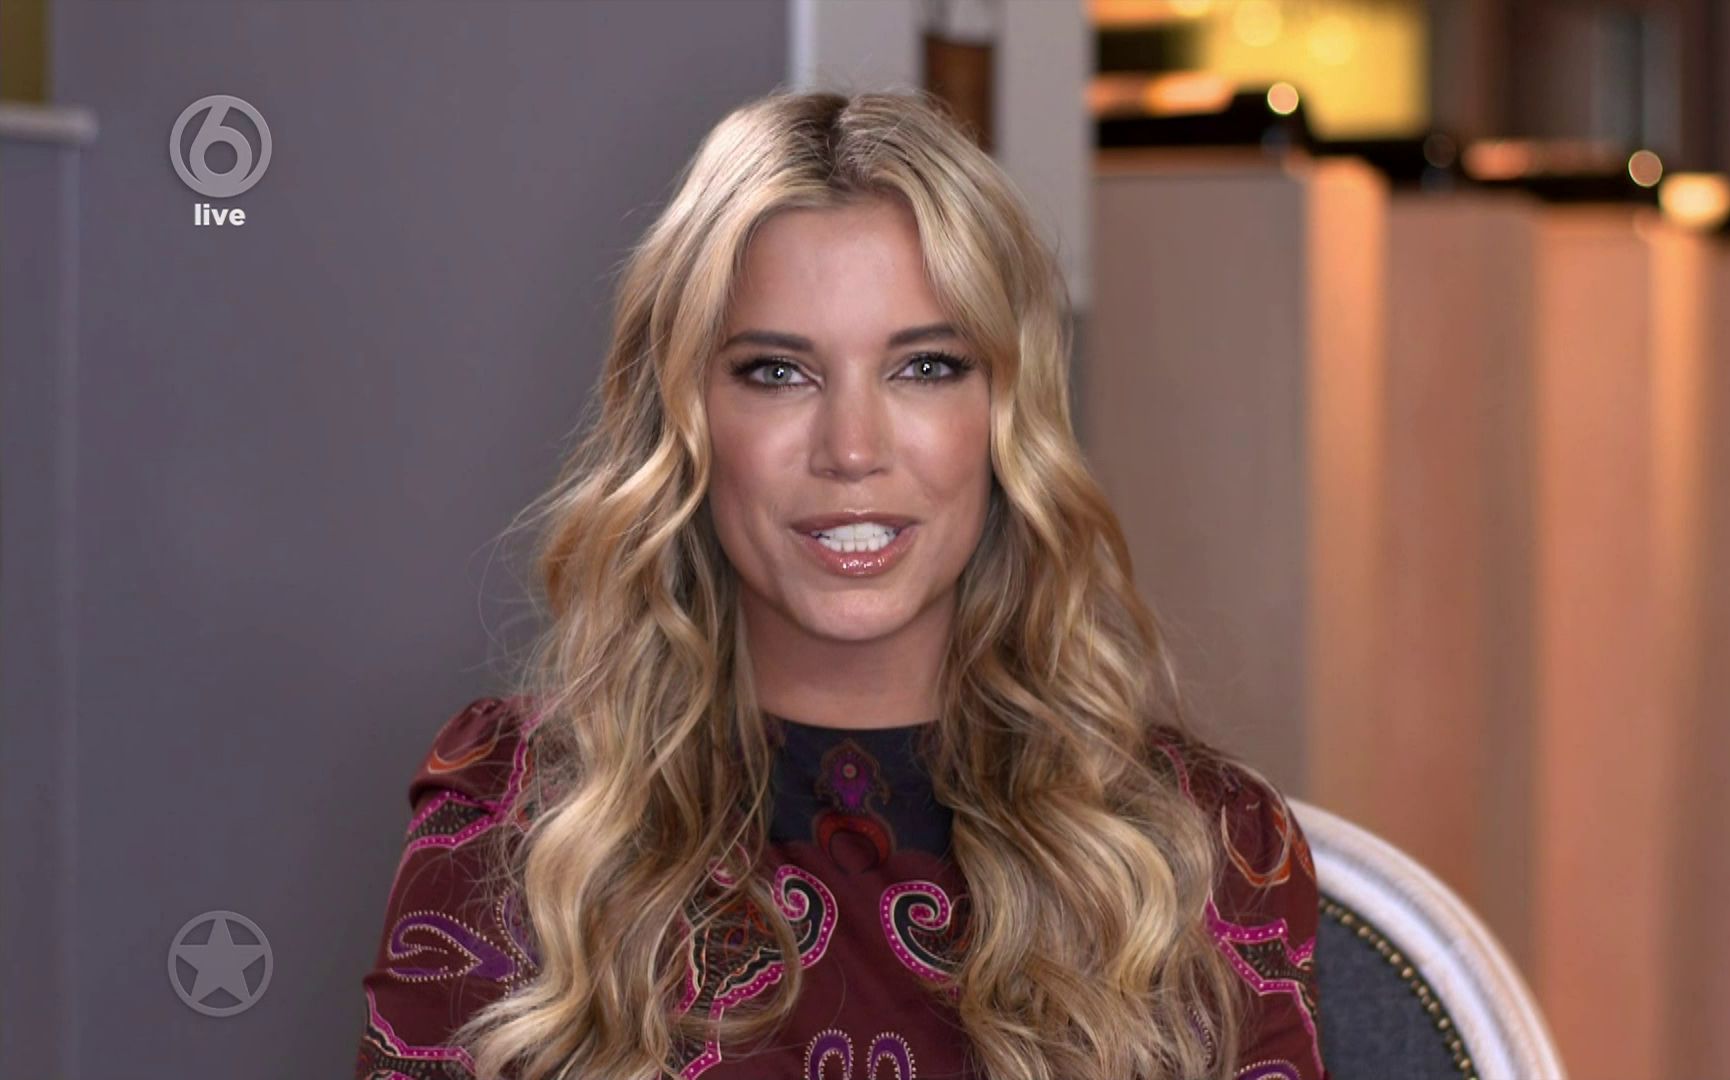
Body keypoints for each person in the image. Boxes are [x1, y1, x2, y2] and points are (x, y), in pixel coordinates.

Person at [354, 88, 1326, 1080]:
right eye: (778, 373)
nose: (852, 449)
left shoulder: (1202, 852)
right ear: (683, 418)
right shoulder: (514, 824)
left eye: (926, 367)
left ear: (1007, 414)